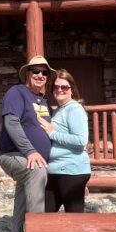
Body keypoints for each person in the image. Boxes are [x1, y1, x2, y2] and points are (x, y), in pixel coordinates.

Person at [0, 55, 55, 232]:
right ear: (27, 75)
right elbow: (11, 123)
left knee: (21, 213)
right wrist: (31, 151)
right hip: (14, 156)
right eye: (35, 72)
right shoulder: (17, 92)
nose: (40, 75)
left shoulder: (44, 103)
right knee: (37, 171)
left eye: (44, 73)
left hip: (32, 160)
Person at [39, 69, 91, 213]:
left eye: (64, 87)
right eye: (56, 87)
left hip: (71, 171)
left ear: (72, 90)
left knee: (74, 219)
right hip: (55, 170)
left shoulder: (74, 109)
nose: (59, 90)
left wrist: (52, 133)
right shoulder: (59, 110)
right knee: (46, 216)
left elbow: (81, 140)